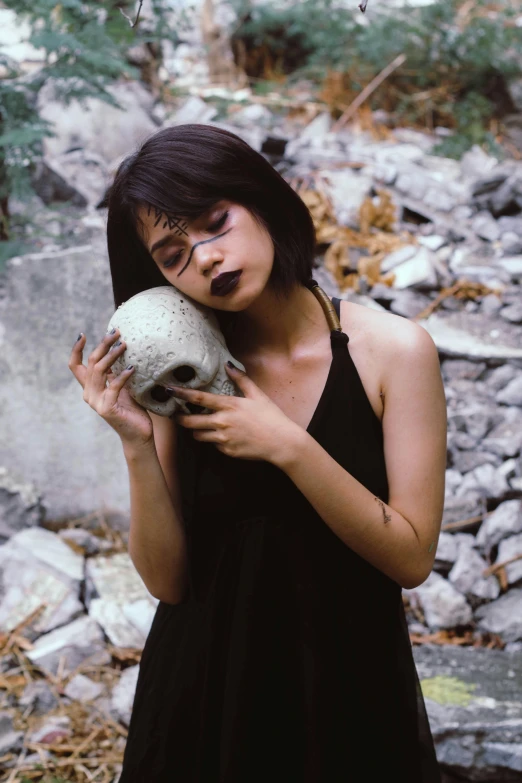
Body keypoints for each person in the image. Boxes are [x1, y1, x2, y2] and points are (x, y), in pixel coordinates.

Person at [69, 123, 446, 782]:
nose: (206, 257)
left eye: (214, 222)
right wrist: (136, 440)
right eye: (172, 254)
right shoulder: (181, 370)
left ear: (261, 198)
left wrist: (288, 447)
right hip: (205, 699)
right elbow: (168, 583)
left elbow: (411, 556)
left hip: (347, 692)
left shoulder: (394, 351)